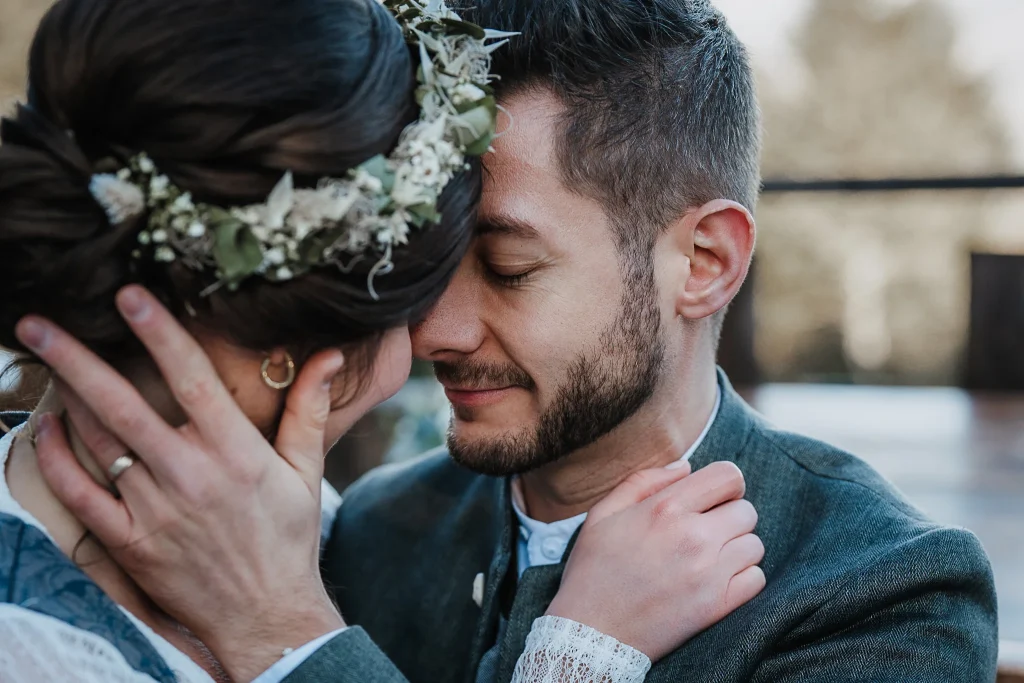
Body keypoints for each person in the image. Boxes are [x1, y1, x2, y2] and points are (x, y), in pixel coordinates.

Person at [13, 0, 998, 682]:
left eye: (509, 265)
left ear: (702, 261)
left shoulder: (879, 592)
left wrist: (284, 631)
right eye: (429, 264)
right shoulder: (359, 528)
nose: (433, 330)